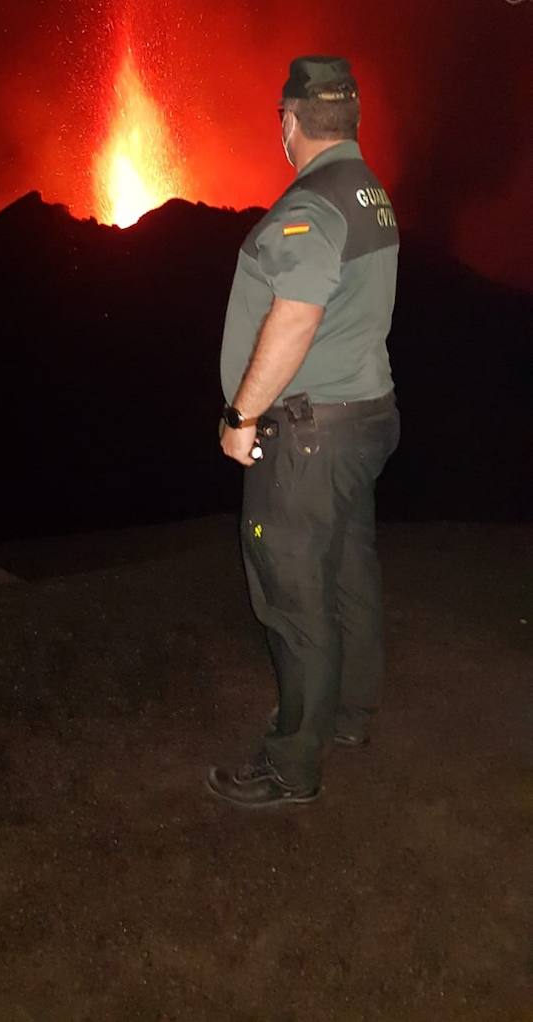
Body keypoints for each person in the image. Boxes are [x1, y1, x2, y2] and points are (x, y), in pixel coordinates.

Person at [207, 55, 400, 808]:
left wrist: (242, 415)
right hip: (364, 420)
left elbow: (296, 315)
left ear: (289, 123)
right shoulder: (368, 192)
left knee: (292, 597)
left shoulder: (312, 203)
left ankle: (292, 764)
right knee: (348, 573)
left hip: (310, 437)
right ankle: (344, 712)